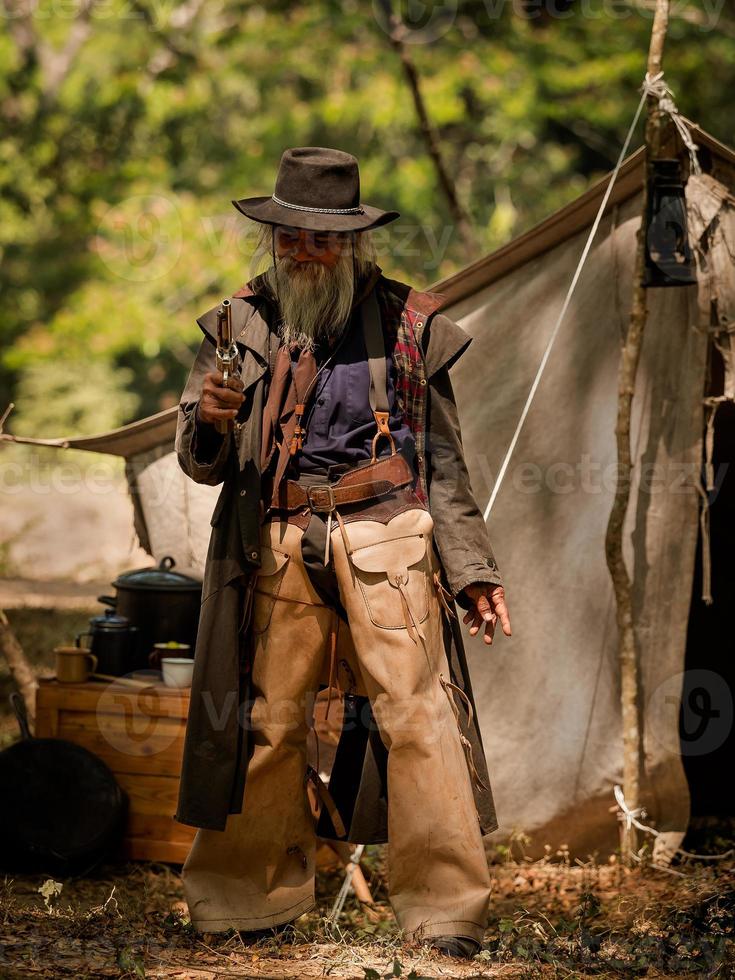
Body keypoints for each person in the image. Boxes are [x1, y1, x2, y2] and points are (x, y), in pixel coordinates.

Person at [174, 146, 512, 960]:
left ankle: (444, 912)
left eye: (322, 237)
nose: (304, 250)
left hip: (387, 536)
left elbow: (443, 460)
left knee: (419, 720)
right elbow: (199, 460)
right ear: (273, 239)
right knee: (265, 723)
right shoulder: (235, 323)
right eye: (290, 235)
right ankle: (241, 904)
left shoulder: (410, 324)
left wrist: (472, 571)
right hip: (278, 539)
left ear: (352, 241)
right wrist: (211, 421)